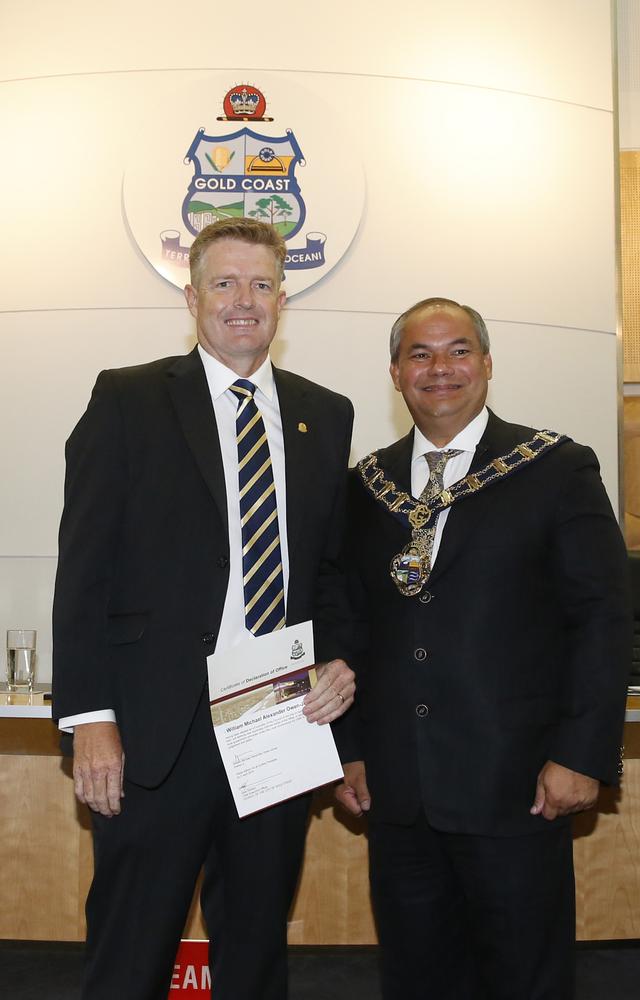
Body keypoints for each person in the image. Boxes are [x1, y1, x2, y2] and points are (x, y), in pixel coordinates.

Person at [52, 218, 355, 1000]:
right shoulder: (127, 399)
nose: (243, 301)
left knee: (255, 955)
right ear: (192, 298)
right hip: (158, 733)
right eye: (224, 283)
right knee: (130, 956)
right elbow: (84, 571)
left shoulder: (327, 414)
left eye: (260, 284)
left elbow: (331, 572)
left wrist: (342, 660)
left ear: (283, 299)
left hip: (277, 725)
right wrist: (91, 717)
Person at [335, 297, 630, 1000]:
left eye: (459, 351)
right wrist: (347, 745)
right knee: (416, 978)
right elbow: (346, 626)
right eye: (421, 354)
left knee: (524, 977)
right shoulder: (362, 488)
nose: (441, 368)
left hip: (521, 787)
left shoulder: (555, 468)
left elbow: (601, 618)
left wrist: (582, 755)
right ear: (396, 374)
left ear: (488, 364)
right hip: (400, 794)